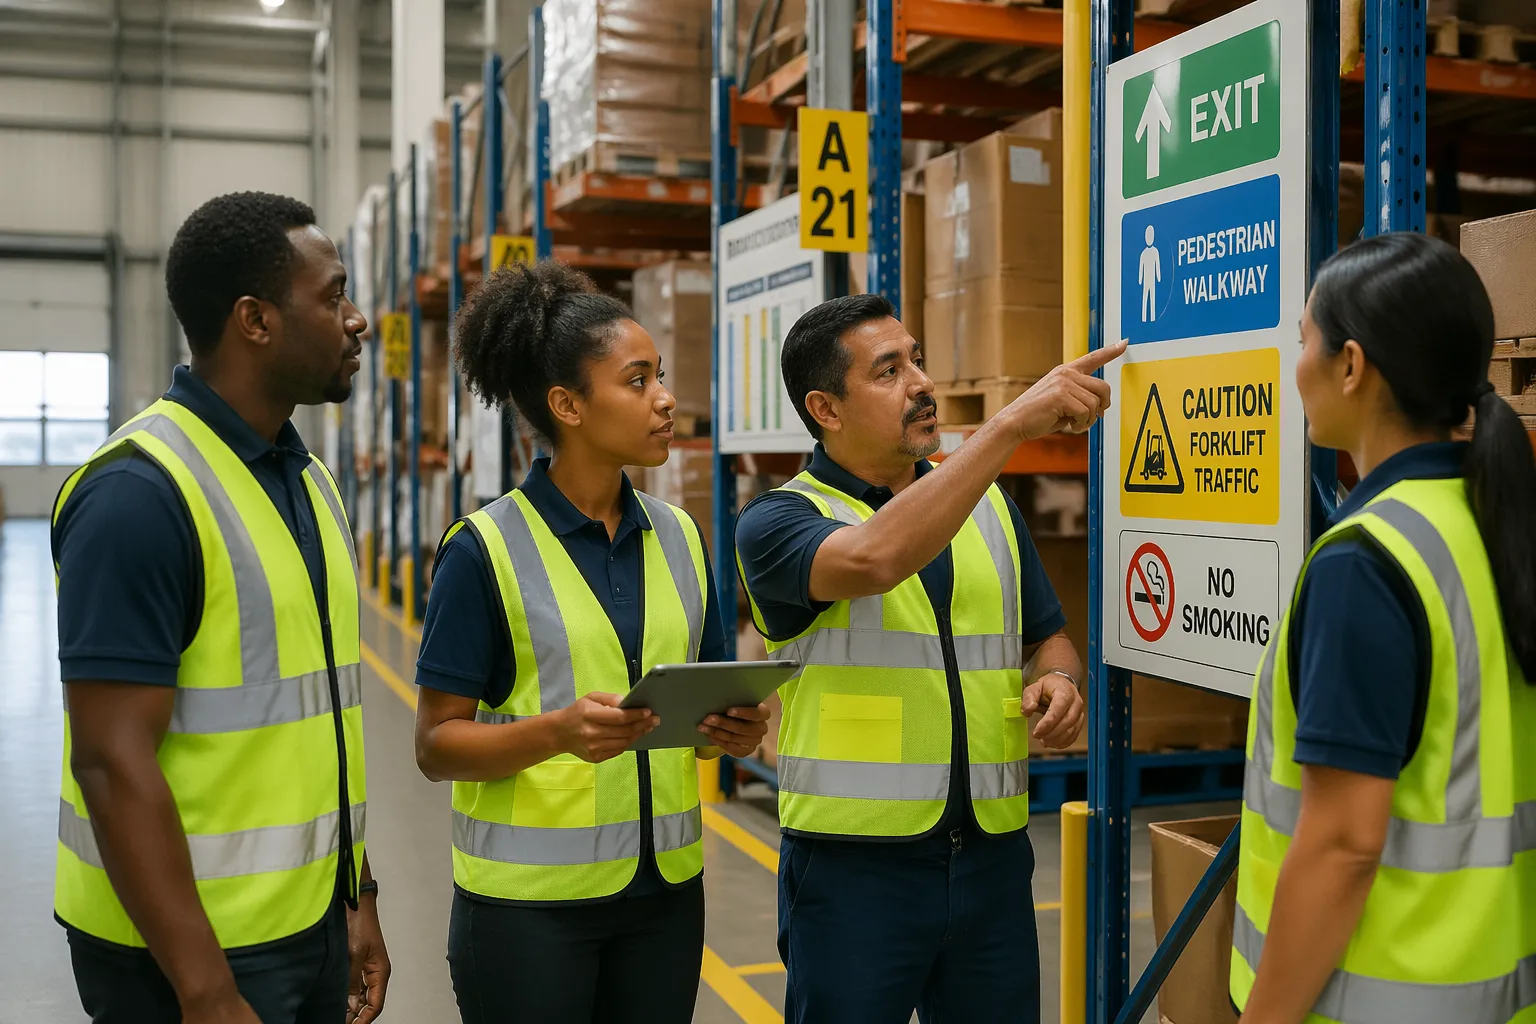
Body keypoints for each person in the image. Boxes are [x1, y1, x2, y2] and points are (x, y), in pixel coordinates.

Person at [734, 293, 1127, 1023]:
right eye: (888, 370)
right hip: (855, 872)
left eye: (916, 359)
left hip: (993, 858)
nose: (920, 382)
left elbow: (1047, 636)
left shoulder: (987, 506)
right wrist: (1007, 426)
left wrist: (1061, 679)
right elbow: (876, 556)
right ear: (826, 408)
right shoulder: (779, 521)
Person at [51, 192, 389, 1023]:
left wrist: (357, 898)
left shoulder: (304, 480)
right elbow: (110, 761)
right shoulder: (139, 494)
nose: (358, 321)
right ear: (255, 320)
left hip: (303, 927)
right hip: (179, 956)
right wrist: (202, 989)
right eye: (333, 294)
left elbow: (321, 730)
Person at [412, 261, 771, 1024]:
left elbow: (701, 709)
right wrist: (558, 733)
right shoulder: (484, 550)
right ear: (567, 405)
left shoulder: (681, 537)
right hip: (528, 912)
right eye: (637, 381)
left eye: (661, 377)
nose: (666, 399)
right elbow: (436, 745)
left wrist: (726, 734)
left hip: (665, 897)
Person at [1231, 232, 1536, 1023]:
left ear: (1352, 365)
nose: (1294, 363)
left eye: (1303, 338)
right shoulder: (1494, 524)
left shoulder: (1365, 562)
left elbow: (1343, 845)